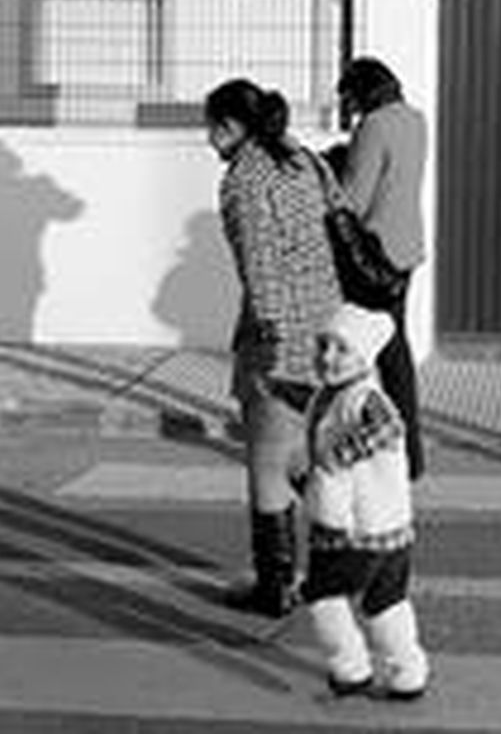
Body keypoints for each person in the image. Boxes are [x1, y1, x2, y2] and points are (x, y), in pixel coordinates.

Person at [205, 78, 340, 617]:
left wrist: (268, 338)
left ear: (232, 127)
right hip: (327, 323)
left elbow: (259, 266)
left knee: (267, 460)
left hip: (279, 331)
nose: (209, 141)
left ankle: (276, 585)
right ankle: (344, 550)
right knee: (302, 452)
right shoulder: (305, 160)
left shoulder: (245, 180)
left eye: (213, 129)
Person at [298, 303, 430, 701]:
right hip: (389, 529)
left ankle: (351, 667)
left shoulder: (365, 398)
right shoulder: (331, 395)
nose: (328, 357)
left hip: (353, 529)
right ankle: (408, 672)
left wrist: (338, 457)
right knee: (385, 603)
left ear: (365, 358)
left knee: (323, 596)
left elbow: (390, 427)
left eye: (342, 349)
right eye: (323, 346)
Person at [334, 57, 428, 481]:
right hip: (406, 247)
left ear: (362, 92)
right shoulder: (414, 119)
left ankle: (368, 442)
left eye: (350, 98)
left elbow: (354, 198)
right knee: (394, 348)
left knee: (357, 347)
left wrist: (337, 170)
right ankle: (410, 453)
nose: (350, 108)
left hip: (374, 252)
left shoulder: (373, 127)